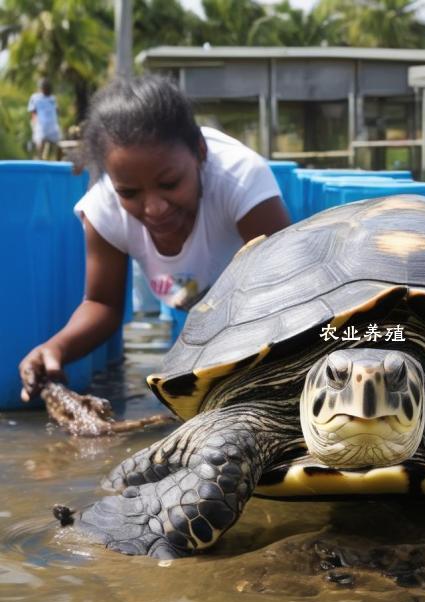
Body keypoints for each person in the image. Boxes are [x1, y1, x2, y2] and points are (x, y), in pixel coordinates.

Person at [19, 75, 290, 402]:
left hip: (257, 313)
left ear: (200, 153)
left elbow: (289, 292)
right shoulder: (104, 206)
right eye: (130, 192)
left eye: (170, 183)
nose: (154, 208)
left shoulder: (240, 181)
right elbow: (102, 304)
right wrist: (55, 348)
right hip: (188, 306)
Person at [27, 78, 62, 160]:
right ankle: (39, 161)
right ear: (41, 88)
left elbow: (57, 110)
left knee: (58, 145)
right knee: (40, 144)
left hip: (52, 125)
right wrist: (34, 124)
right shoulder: (35, 98)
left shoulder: (53, 98)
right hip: (41, 125)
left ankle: (58, 162)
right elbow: (33, 112)